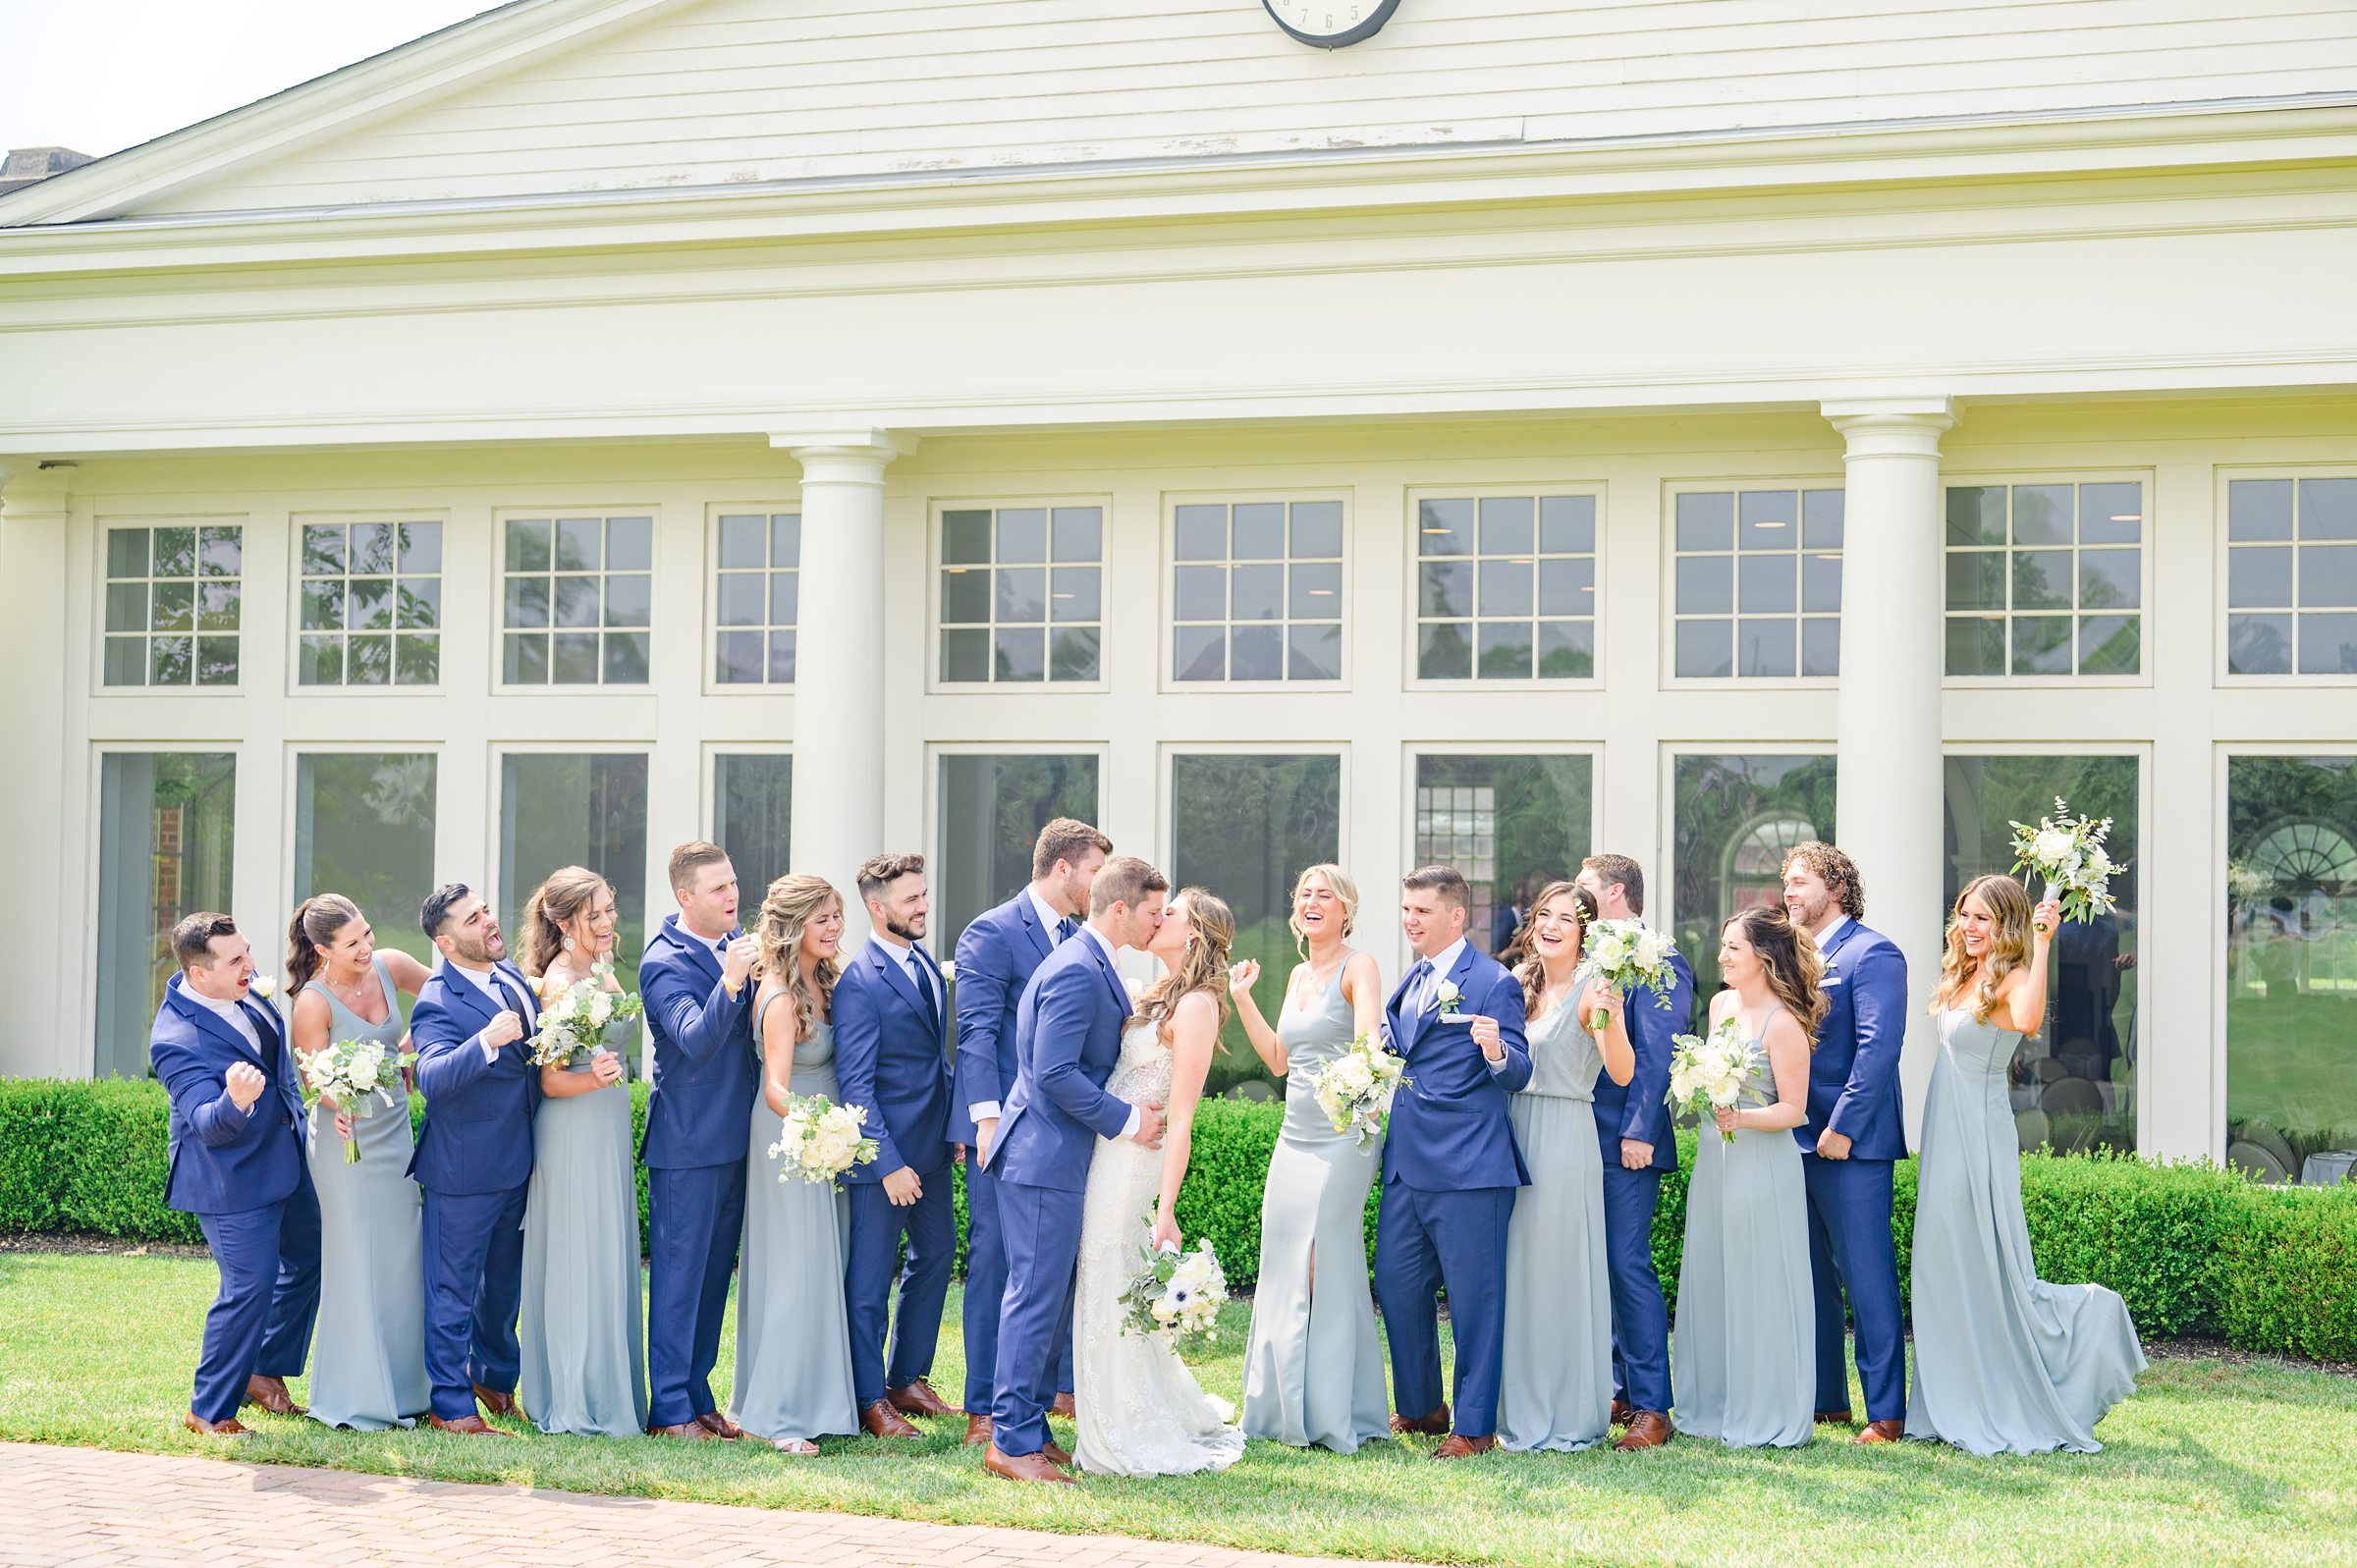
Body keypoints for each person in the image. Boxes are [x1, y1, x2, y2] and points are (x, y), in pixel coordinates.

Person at [1907, 876, 2146, 1453]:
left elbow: (2033, 1020)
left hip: (1978, 1135)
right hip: (1945, 1128)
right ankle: (1947, 1397)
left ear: (2007, 924)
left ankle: (2072, 1336)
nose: (1969, 927)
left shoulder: (2012, 976)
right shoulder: (1962, 972)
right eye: (1965, 915)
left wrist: (2043, 944)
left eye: (1983, 919)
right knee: (1941, 1262)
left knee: (1984, 1260)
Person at [980, 855, 1171, 1486]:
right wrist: (1126, 1121)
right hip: (1041, 1158)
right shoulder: (1074, 970)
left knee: (1052, 1298)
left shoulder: (1093, 962)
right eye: (1151, 912)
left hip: (1061, 1158)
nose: (1158, 922)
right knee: (1034, 1298)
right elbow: (1053, 1071)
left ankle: (1030, 1427)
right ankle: (1008, 1441)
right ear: (1120, 909)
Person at [1070, 887, 1250, 1477]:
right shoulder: (1154, 994)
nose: (1158, 916)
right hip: (1109, 1145)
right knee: (1105, 1271)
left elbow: (1182, 1117)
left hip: (1133, 1162)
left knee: (1108, 1269)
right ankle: (1113, 1402)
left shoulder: (1196, 1005)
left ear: (1194, 933)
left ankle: (1122, 1422)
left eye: (1170, 913)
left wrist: (1166, 1208)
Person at [952, 817, 1111, 1444]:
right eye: (1095, 872)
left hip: (1060, 1130)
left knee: (1049, 1267)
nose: (1099, 887)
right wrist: (987, 1120)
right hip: (1006, 1130)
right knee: (997, 1264)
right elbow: (977, 1033)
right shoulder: (991, 932)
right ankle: (983, 1408)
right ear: (1064, 868)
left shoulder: (1080, 936)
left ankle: (1036, 1401)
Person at [1373, 865, 1533, 1460]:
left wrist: (1495, 1051)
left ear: (1456, 916)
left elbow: (1520, 1068)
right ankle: (1421, 1407)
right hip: (1405, 1166)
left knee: (1474, 1302)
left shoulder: (1492, 981)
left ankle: (1474, 1426)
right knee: (1394, 1283)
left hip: (1470, 1169)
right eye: (1406, 909)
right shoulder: (1411, 979)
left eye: (1422, 911)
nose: (1410, 920)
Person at [1230, 863, 1389, 1453]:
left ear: (1346, 909)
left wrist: (1360, 1090)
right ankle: (1278, 1405)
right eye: (1305, 894)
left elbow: (1370, 1043)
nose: (1313, 902)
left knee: (1323, 1259)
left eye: (1327, 895)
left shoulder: (1359, 965)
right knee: (1283, 1260)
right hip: (1293, 1138)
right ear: (1296, 909)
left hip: (1343, 1134)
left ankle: (1328, 1409)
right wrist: (1242, 998)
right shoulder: (1297, 973)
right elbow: (1277, 1058)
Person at [150, 912, 320, 1436]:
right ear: (199, 975)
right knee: (249, 1285)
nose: (251, 965)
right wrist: (235, 1102)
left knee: (310, 1258)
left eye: (248, 951)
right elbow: (206, 1124)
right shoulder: (175, 1040)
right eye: (236, 960)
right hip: (229, 1178)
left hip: (284, 1160)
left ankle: (263, 1372)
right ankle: (208, 1408)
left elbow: (277, 1067)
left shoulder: (250, 992)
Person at [1672, 906, 1823, 1449]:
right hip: (1716, 1160)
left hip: (1762, 1162)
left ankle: (1767, 1408)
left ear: (1762, 956)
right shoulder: (1720, 1006)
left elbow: (1795, 1111)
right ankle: (1714, 1403)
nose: (1722, 957)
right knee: (1714, 1275)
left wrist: (1742, 1118)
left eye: (1732, 947)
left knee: (1759, 1280)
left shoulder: (1784, 1025)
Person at [284, 894, 432, 1431]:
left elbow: (444, 993)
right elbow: (315, 1078)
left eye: (367, 933)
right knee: (355, 1261)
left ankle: (409, 1388)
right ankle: (356, 1393)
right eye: (353, 943)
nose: (367, 947)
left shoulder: (391, 965)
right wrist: (336, 1102)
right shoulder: (313, 1003)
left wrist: (420, 1039)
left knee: (401, 1257)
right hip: (345, 1143)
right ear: (323, 949)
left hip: (395, 1134)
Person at [1780, 841, 1910, 1442]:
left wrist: (1844, 1128)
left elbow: (1877, 1051)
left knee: (1866, 1275)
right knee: (1809, 1277)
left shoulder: (1874, 953)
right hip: (1794, 1137)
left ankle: (1885, 1412)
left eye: (1800, 881)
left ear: (1835, 888)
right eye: (1786, 881)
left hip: (1850, 1143)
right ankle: (1826, 1399)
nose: (1789, 892)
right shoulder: (1788, 957)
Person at [1499, 882, 1631, 1452]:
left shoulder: (1592, 990)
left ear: (1585, 933)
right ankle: (1515, 1402)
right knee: (1517, 1271)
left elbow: (1622, 1073)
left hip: (1562, 1134)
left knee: (1555, 1270)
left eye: (1567, 918)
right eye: (1543, 915)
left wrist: (1613, 1018)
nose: (1551, 925)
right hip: (1511, 1133)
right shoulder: (1516, 987)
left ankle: (1563, 1407)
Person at [730, 874, 859, 1454]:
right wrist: (826, 1127)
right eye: (823, 918)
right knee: (794, 1268)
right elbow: (775, 1090)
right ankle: (780, 1415)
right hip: (793, 1137)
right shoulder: (780, 995)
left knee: (823, 1265)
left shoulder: (827, 981)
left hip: (829, 1138)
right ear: (794, 925)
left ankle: (816, 1400)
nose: (835, 927)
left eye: (837, 916)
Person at [833, 852, 960, 1440]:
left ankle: (907, 1378)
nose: (924, 906)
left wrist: (954, 1128)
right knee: (869, 1283)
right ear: (878, 909)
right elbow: (856, 1085)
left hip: (933, 1150)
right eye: (912, 900)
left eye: (925, 894)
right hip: (882, 1163)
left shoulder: (927, 967)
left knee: (936, 1257)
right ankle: (868, 1400)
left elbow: (938, 1060)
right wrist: (887, 1165)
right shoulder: (860, 983)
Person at [516, 867, 647, 1437]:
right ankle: (573, 1396)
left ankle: (608, 1385)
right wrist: (595, 1080)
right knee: (576, 1255)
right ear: (567, 923)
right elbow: (549, 1081)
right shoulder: (560, 984)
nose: (609, 921)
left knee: (604, 1249)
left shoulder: (599, 970)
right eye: (596, 914)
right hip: (572, 1129)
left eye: (610, 908)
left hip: (606, 1126)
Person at [637, 841, 759, 1442]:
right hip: (686, 1147)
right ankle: (670, 1409)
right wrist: (733, 982)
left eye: (733, 883)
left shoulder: (736, 947)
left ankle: (700, 1394)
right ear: (685, 897)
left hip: (736, 1141)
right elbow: (695, 1039)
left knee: (714, 1279)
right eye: (718, 888)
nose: (732, 895)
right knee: (680, 1280)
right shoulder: (663, 961)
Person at [408, 883, 539, 1435]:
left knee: (503, 1287)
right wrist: (485, 1040)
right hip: (462, 1170)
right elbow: (433, 1078)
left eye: (486, 910)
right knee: (453, 1290)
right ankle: (450, 1405)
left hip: (519, 1160)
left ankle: (494, 1380)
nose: (488, 921)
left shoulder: (510, 977)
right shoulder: (436, 1001)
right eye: (472, 919)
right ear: (445, 941)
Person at [1572, 853, 1693, 1451]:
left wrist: (1641, 1129)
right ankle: (1616, 1387)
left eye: (1586, 887)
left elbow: (1659, 1051)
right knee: (1593, 1265)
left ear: (1616, 891)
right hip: (1573, 1131)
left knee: (1626, 1262)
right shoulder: (1582, 954)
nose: (1576, 896)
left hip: (1625, 1136)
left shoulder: (1660, 957)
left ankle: (1651, 1406)